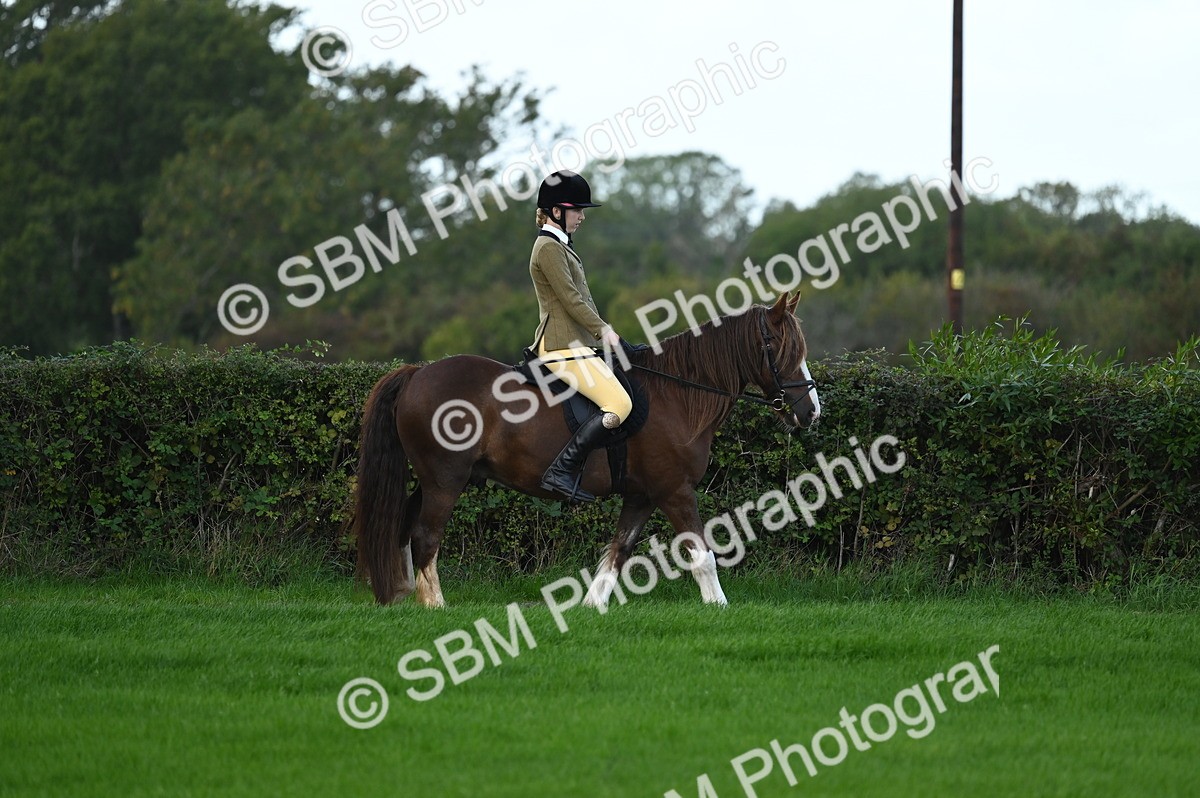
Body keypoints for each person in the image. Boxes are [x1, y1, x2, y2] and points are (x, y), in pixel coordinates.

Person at [529, 170, 633, 502]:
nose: (582, 217)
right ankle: (561, 470)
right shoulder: (547, 248)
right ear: (557, 211)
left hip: (578, 345)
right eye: (577, 210)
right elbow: (571, 300)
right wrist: (603, 330)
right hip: (561, 348)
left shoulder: (560, 246)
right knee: (619, 403)